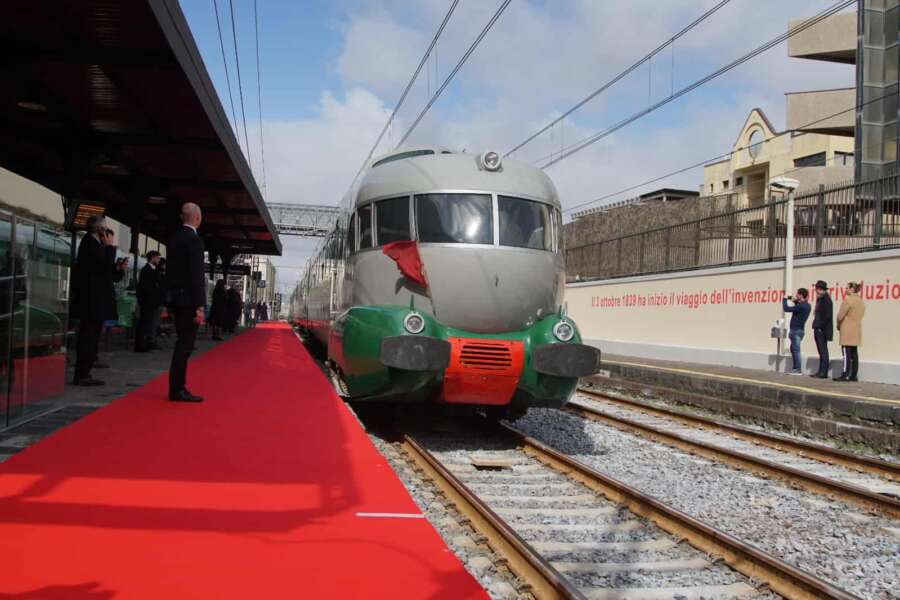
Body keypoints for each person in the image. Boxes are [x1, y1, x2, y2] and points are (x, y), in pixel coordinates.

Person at [70, 216, 127, 385]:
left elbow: (106, 272)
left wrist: (118, 269)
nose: (107, 231)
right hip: (91, 301)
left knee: (93, 336)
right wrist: (110, 247)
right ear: (99, 229)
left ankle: (86, 369)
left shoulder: (96, 244)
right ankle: (82, 374)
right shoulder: (90, 243)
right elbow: (102, 266)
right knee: (88, 336)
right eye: (105, 227)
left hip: (96, 300)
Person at [166, 203, 206, 402]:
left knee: (182, 343)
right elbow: (197, 276)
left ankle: (176, 386)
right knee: (185, 345)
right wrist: (200, 305)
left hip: (176, 299)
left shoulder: (174, 239)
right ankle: (177, 388)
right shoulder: (194, 240)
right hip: (189, 301)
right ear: (197, 218)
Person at [835, 282, 866, 382]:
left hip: (847, 329)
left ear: (852, 289)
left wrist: (838, 325)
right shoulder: (861, 301)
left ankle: (845, 374)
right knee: (854, 353)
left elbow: (840, 316)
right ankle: (853, 375)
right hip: (856, 329)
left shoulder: (848, 300)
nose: (845, 290)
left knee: (846, 353)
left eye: (847, 288)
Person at [135, 250, 163, 352]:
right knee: (144, 323)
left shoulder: (154, 270)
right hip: (147, 301)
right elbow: (145, 287)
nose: (159, 260)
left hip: (152, 302)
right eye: (158, 258)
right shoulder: (146, 270)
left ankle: (146, 343)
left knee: (148, 323)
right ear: (152, 258)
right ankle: (140, 345)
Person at [782, 288, 811, 375]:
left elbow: (786, 309)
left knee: (796, 350)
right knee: (793, 349)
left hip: (795, 330)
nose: (796, 295)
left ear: (801, 295)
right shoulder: (807, 305)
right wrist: (794, 300)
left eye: (798, 294)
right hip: (801, 330)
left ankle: (797, 369)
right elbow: (798, 307)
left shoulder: (800, 306)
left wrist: (784, 299)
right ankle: (795, 368)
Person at [810, 280, 833, 379]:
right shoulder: (820, 299)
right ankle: (820, 371)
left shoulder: (826, 300)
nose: (816, 292)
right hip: (818, 328)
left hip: (822, 329)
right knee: (821, 351)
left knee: (823, 351)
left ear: (821, 289)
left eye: (817, 289)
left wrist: (819, 326)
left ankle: (823, 372)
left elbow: (827, 316)